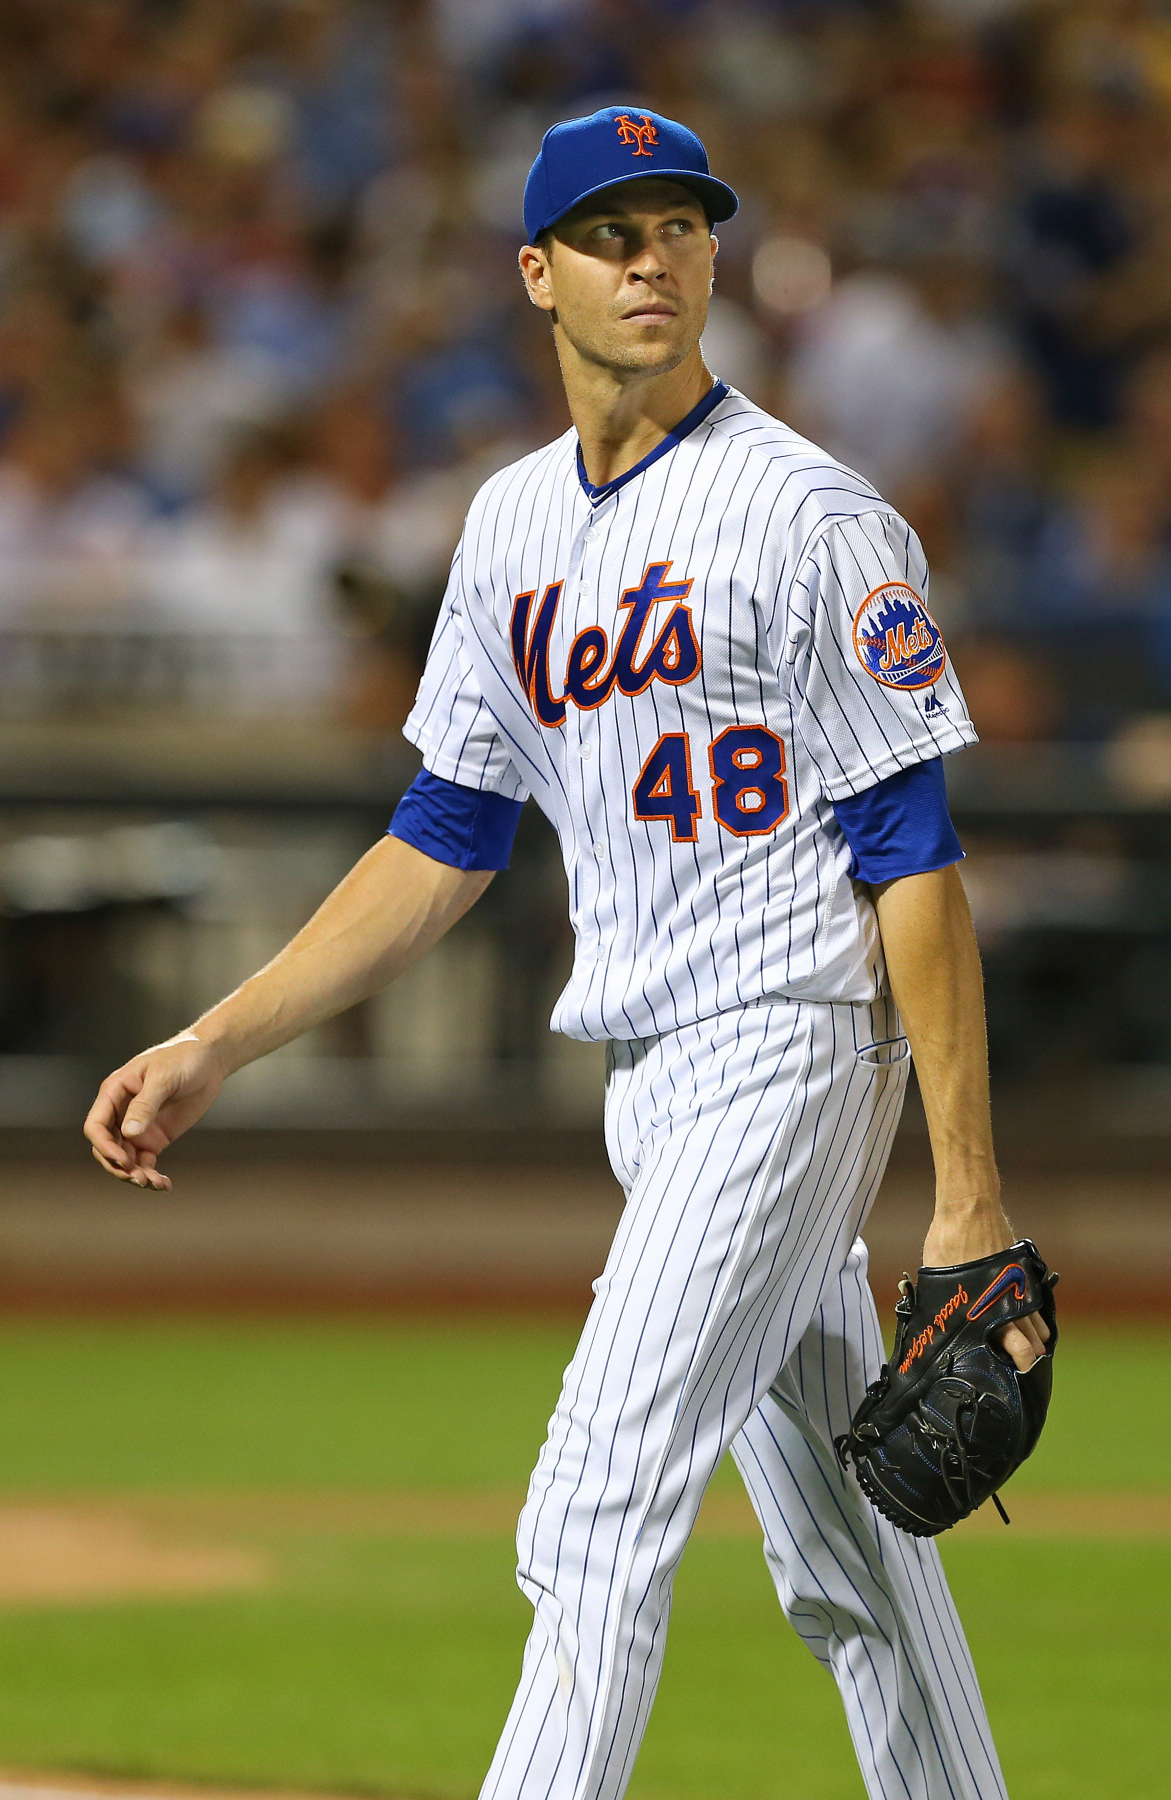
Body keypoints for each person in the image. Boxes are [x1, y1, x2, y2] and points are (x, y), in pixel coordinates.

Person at [85, 106, 1049, 1800]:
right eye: (611, 235)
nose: (652, 260)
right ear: (538, 274)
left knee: (596, 1500)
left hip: (788, 1040)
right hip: (653, 1081)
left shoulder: (810, 516)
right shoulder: (511, 528)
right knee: (850, 1553)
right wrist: (217, 1038)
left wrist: (968, 1194)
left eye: (680, 227)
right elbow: (442, 838)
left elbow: (916, 859)